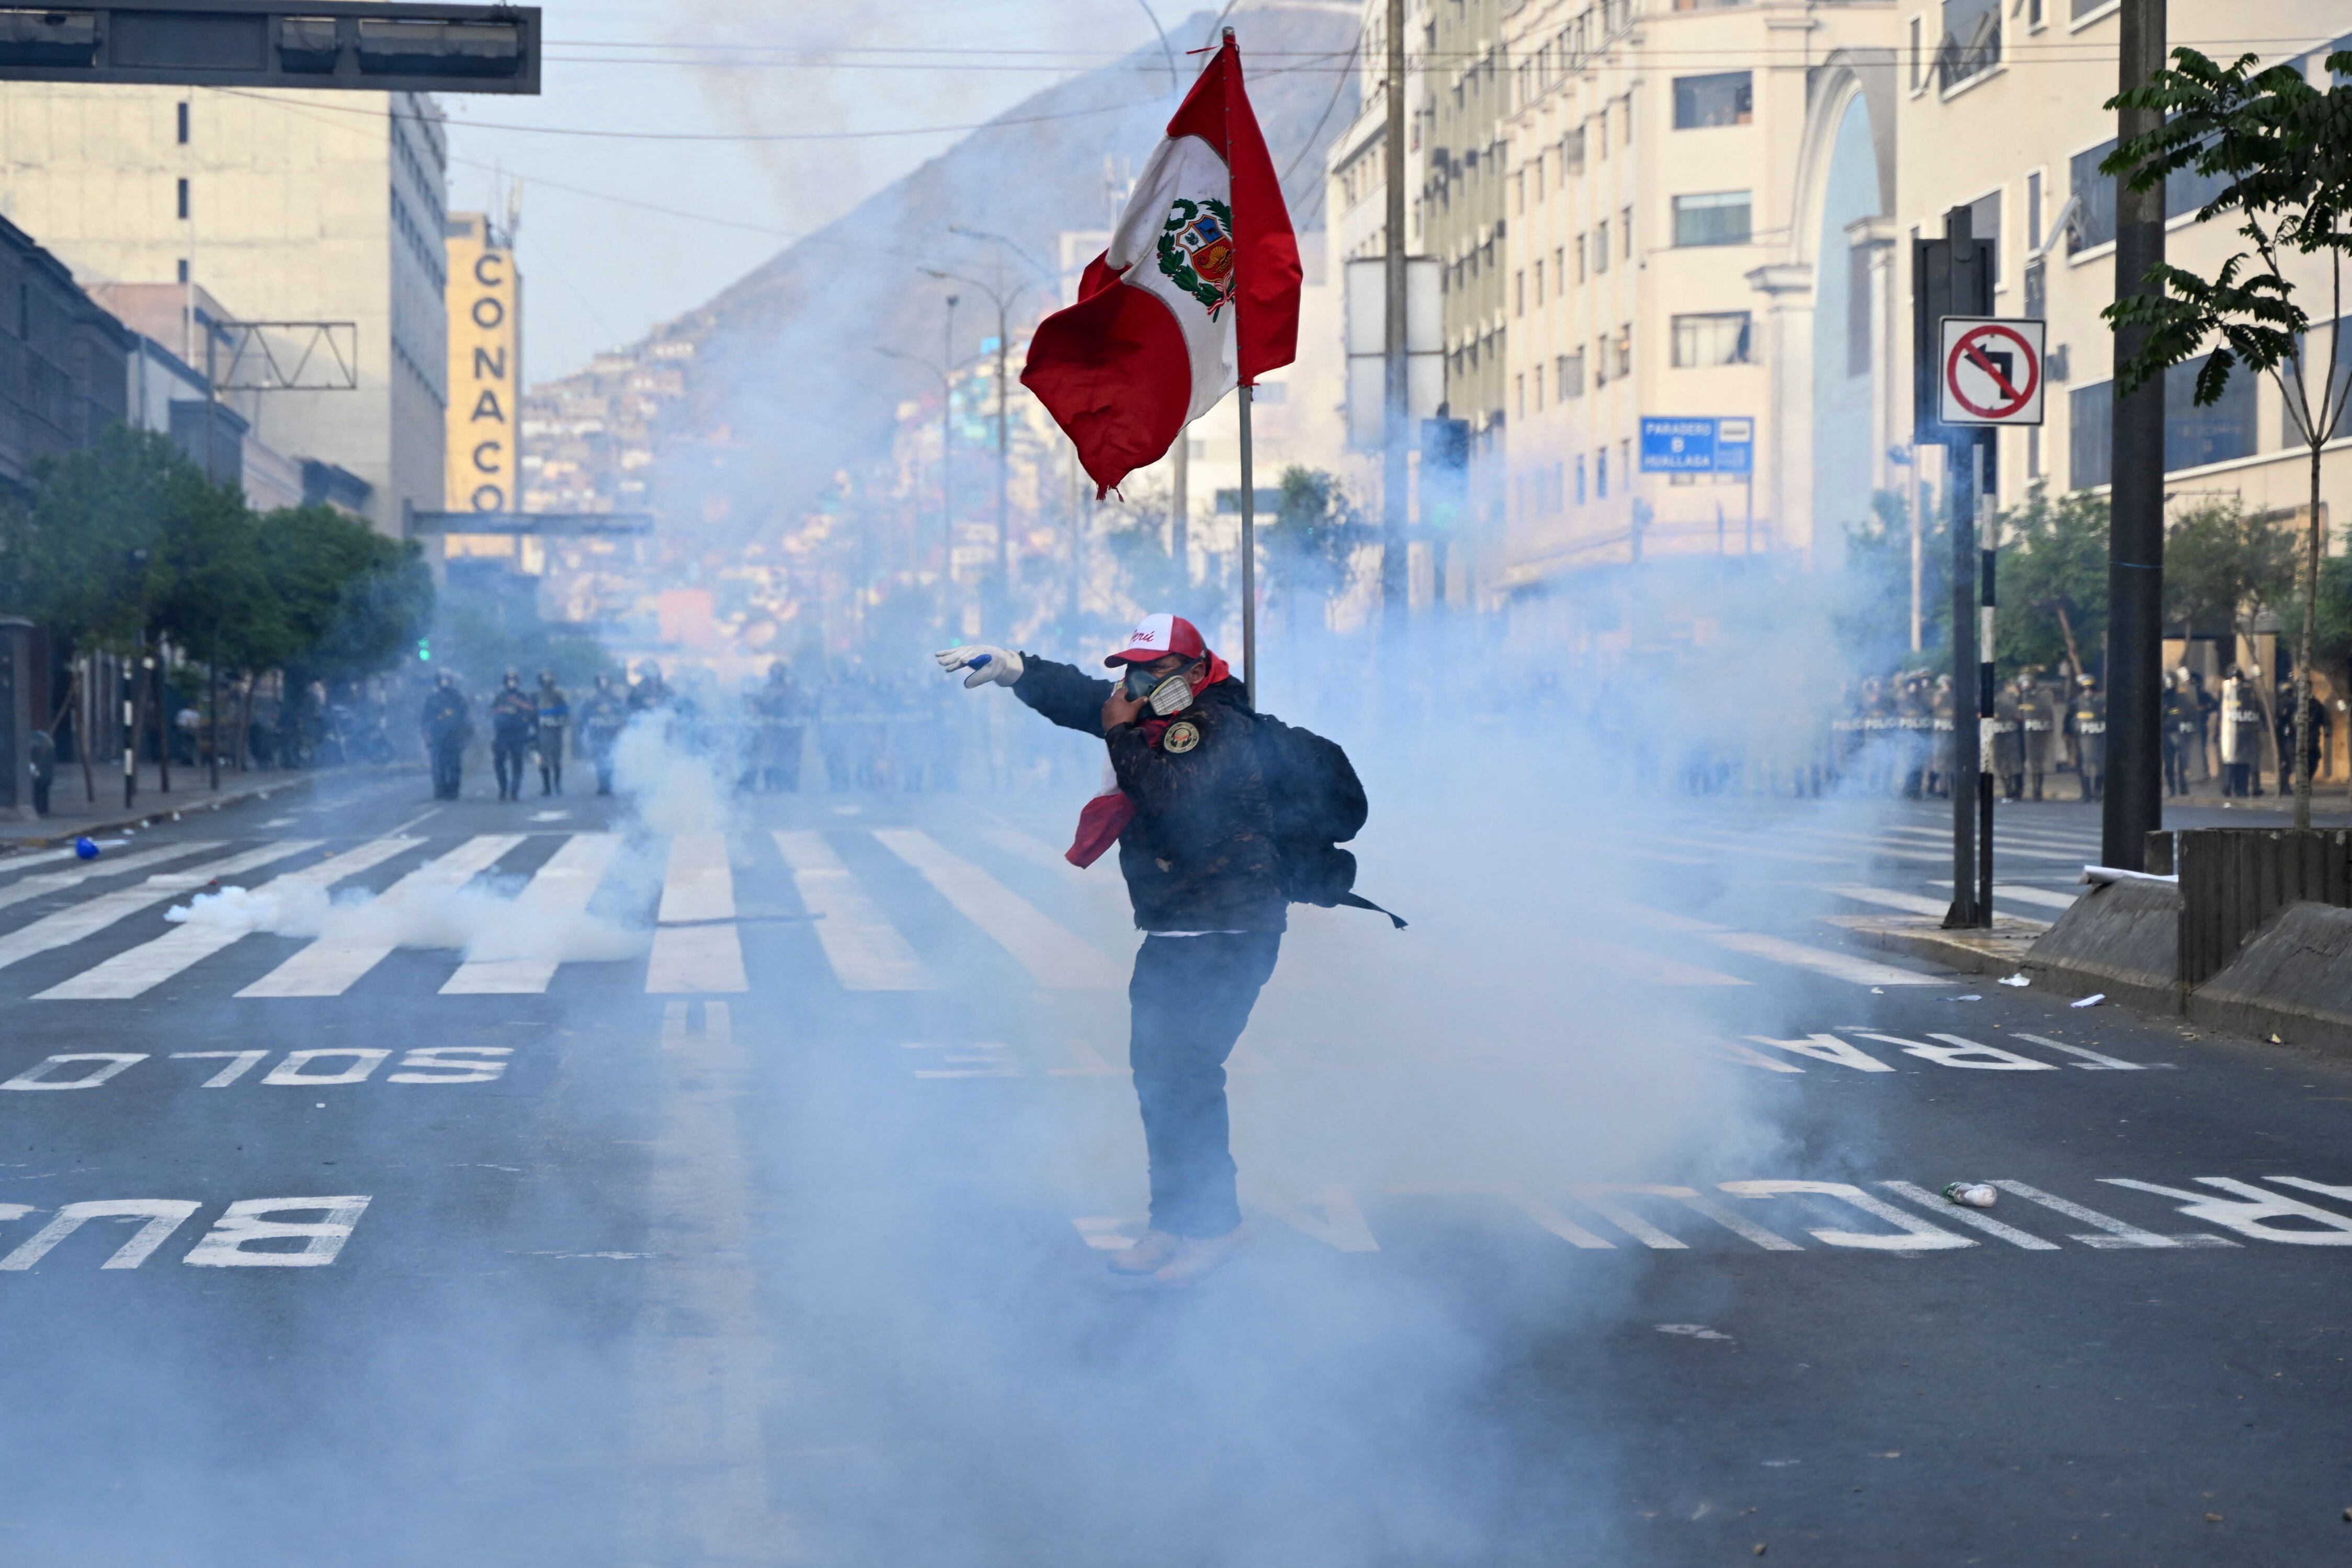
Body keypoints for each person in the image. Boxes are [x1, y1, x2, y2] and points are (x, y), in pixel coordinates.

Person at [936, 616, 1289, 1288]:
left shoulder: (1214, 725)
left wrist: (1122, 729)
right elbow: (1087, 701)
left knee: (1184, 1074)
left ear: (1190, 672)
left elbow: (1168, 793)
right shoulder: (1155, 717)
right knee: (1161, 1077)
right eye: (1131, 668)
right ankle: (1176, 1220)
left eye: (1151, 671)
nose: (1135, 683)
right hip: (1178, 926)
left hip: (1226, 928)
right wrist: (1017, 666)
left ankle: (1214, 1228)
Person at [752, 661, 809, 792]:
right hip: (773, 730)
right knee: (773, 757)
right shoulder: (768, 689)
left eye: (781, 671)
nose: (779, 674)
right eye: (776, 671)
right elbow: (762, 707)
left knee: (792, 758)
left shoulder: (795, 690)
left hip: (793, 729)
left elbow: (804, 707)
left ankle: (791, 785)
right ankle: (772, 785)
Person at [2275, 679, 2331, 796]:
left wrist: (2327, 730)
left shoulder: (2316, 705)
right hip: (2293, 739)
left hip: (2312, 739)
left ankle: (2306, 783)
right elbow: (2282, 720)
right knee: (2295, 763)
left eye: (2307, 688)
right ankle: (2297, 786)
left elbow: (2325, 719)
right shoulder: (2291, 704)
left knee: (2313, 762)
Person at [421, 674, 471, 801]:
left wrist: (465, 737)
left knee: (454, 766)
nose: (445, 683)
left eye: (447, 680)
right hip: (438, 737)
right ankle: (440, 790)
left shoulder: (458, 699)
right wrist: (427, 735)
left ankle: (453, 791)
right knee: (438, 767)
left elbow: (465, 719)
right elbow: (425, 719)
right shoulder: (433, 700)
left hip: (454, 737)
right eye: (443, 681)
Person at [489, 670, 537, 803]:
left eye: (514, 681)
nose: (512, 684)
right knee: (499, 762)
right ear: (505, 683)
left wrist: (519, 706)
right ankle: (503, 789)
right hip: (502, 734)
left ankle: (515, 791)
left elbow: (531, 711)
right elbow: (492, 712)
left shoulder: (522, 697)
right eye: (509, 681)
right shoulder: (500, 697)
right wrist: (502, 711)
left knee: (517, 763)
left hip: (518, 734)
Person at [578, 674, 627, 796]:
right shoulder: (592, 700)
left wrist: (620, 727)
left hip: (611, 734)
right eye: (601, 681)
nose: (604, 684)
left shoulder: (615, 699)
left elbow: (623, 714)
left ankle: (609, 784)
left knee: (610, 759)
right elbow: (584, 716)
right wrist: (585, 729)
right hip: (597, 734)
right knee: (599, 760)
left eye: (606, 681)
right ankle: (602, 785)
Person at [2067, 674, 2107, 802]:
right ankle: (2086, 793)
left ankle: (2097, 793)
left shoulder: (2102, 703)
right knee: (2083, 766)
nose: (2088, 692)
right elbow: (2068, 719)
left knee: (2100, 765)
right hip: (2082, 740)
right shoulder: (2075, 704)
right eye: (2085, 689)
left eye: (2090, 689)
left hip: (2099, 738)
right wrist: (2068, 732)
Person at [534, 671, 570, 796]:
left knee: (556, 760)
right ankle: (547, 787)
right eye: (544, 678)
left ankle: (557, 786)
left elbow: (566, 713)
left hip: (555, 731)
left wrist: (561, 723)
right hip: (542, 732)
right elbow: (531, 714)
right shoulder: (536, 696)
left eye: (549, 678)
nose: (547, 681)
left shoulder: (558, 696)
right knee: (544, 761)